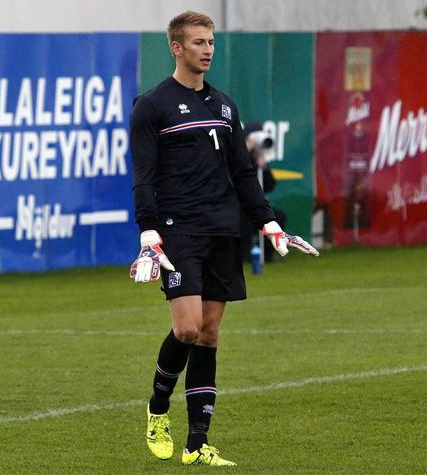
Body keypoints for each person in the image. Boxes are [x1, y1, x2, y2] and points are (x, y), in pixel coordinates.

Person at [129, 11, 319, 467]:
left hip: (223, 229)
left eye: (211, 41)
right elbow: (143, 176)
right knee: (187, 328)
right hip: (178, 231)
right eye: (198, 42)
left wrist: (268, 222)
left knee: (209, 335)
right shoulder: (151, 106)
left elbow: (242, 172)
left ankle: (198, 444)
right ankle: (157, 409)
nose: (208, 49)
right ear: (176, 47)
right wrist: (148, 229)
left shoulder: (225, 106)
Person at [240, 121, 289, 263]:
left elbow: (269, 186)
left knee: (278, 217)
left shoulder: (259, 158)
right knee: (241, 220)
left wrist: (264, 167)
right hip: (238, 207)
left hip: (255, 207)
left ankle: (266, 255)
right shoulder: (240, 156)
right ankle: (244, 254)